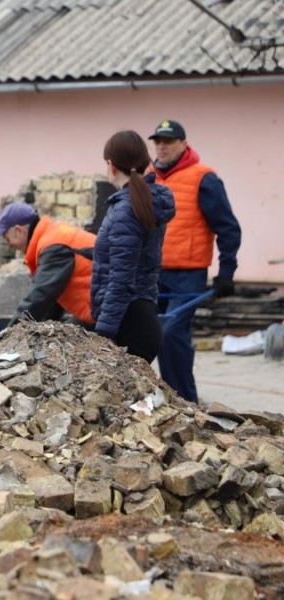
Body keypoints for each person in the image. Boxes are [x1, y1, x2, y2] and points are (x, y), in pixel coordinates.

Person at [149, 120, 242, 400]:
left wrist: (227, 271)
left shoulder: (204, 178)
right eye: (158, 141)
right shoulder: (148, 177)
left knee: (172, 334)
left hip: (188, 275)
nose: (162, 146)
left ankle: (184, 401)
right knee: (146, 334)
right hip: (153, 273)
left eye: (168, 141)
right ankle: (151, 396)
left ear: (183, 143)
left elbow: (227, 227)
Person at [91, 130, 176, 363]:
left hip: (129, 326)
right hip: (137, 317)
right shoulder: (139, 202)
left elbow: (121, 278)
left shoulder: (127, 210)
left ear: (111, 165)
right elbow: (130, 256)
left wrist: (103, 334)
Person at [0, 202, 96, 327]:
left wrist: (11, 334)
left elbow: (40, 297)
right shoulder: (51, 237)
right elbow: (52, 300)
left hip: (112, 310)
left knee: (72, 341)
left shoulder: (53, 247)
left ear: (19, 230)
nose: (9, 245)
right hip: (103, 307)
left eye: (7, 239)